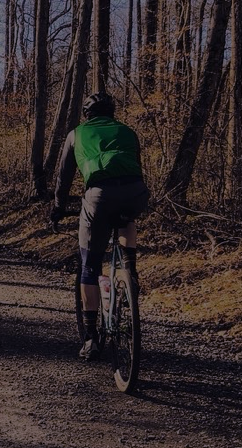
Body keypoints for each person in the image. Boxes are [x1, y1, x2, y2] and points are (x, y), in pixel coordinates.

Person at [49, 92, 149, 360]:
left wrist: (58, 207)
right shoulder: (128, 131)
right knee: (128, 218)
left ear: (87, 114)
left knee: (89, 266)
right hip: (136, 191)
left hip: (99, 196)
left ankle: (91, 337)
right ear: (111, 112)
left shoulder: (76, 134)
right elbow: (134, 166)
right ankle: (131, 270)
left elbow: (64, 176)